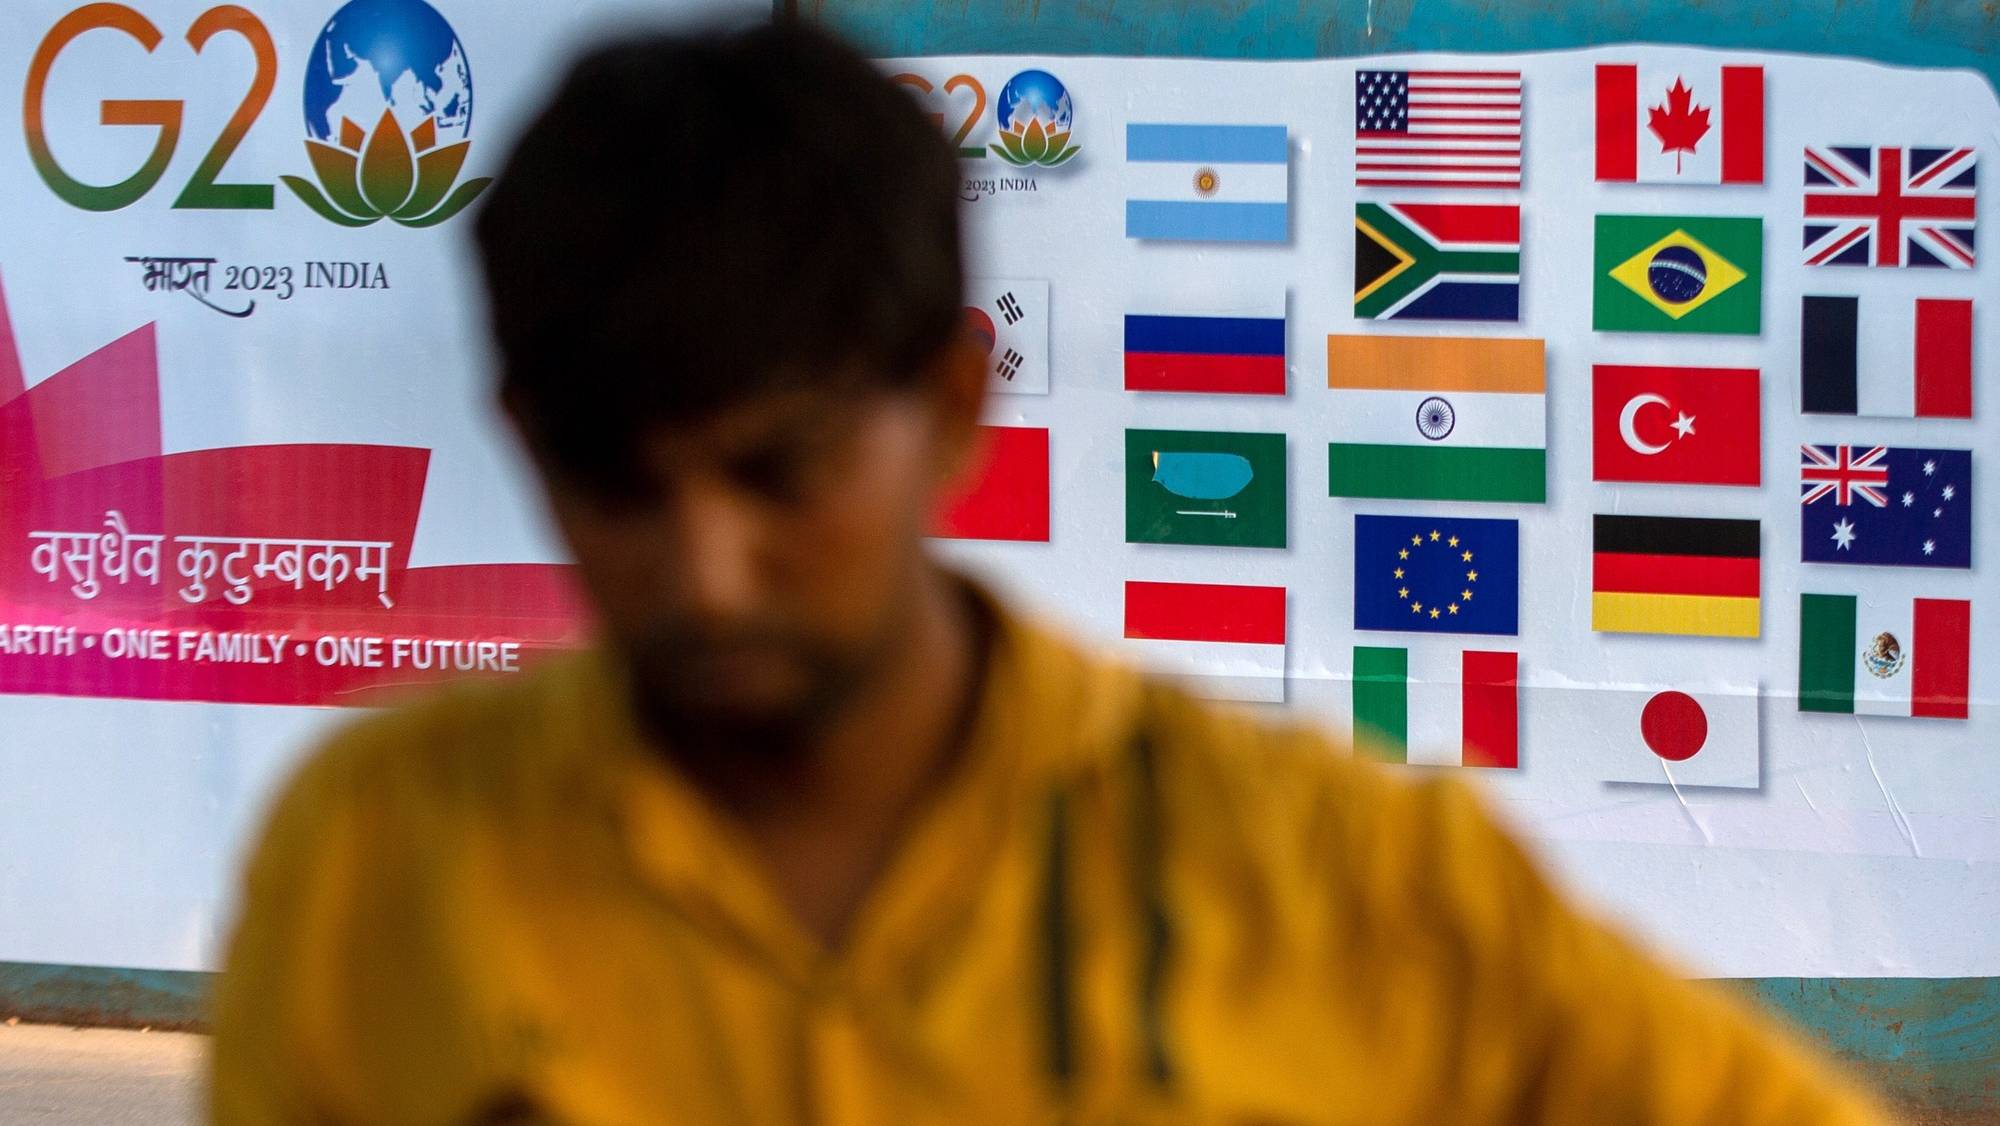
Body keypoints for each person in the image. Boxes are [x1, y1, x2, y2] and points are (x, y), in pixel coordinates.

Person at [211, 21, 1887, 1124]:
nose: (704, 569)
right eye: (614, 482)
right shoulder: (378, 860)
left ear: (952, 400)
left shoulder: (1336, 878)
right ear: (519, 428)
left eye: (779, 471)